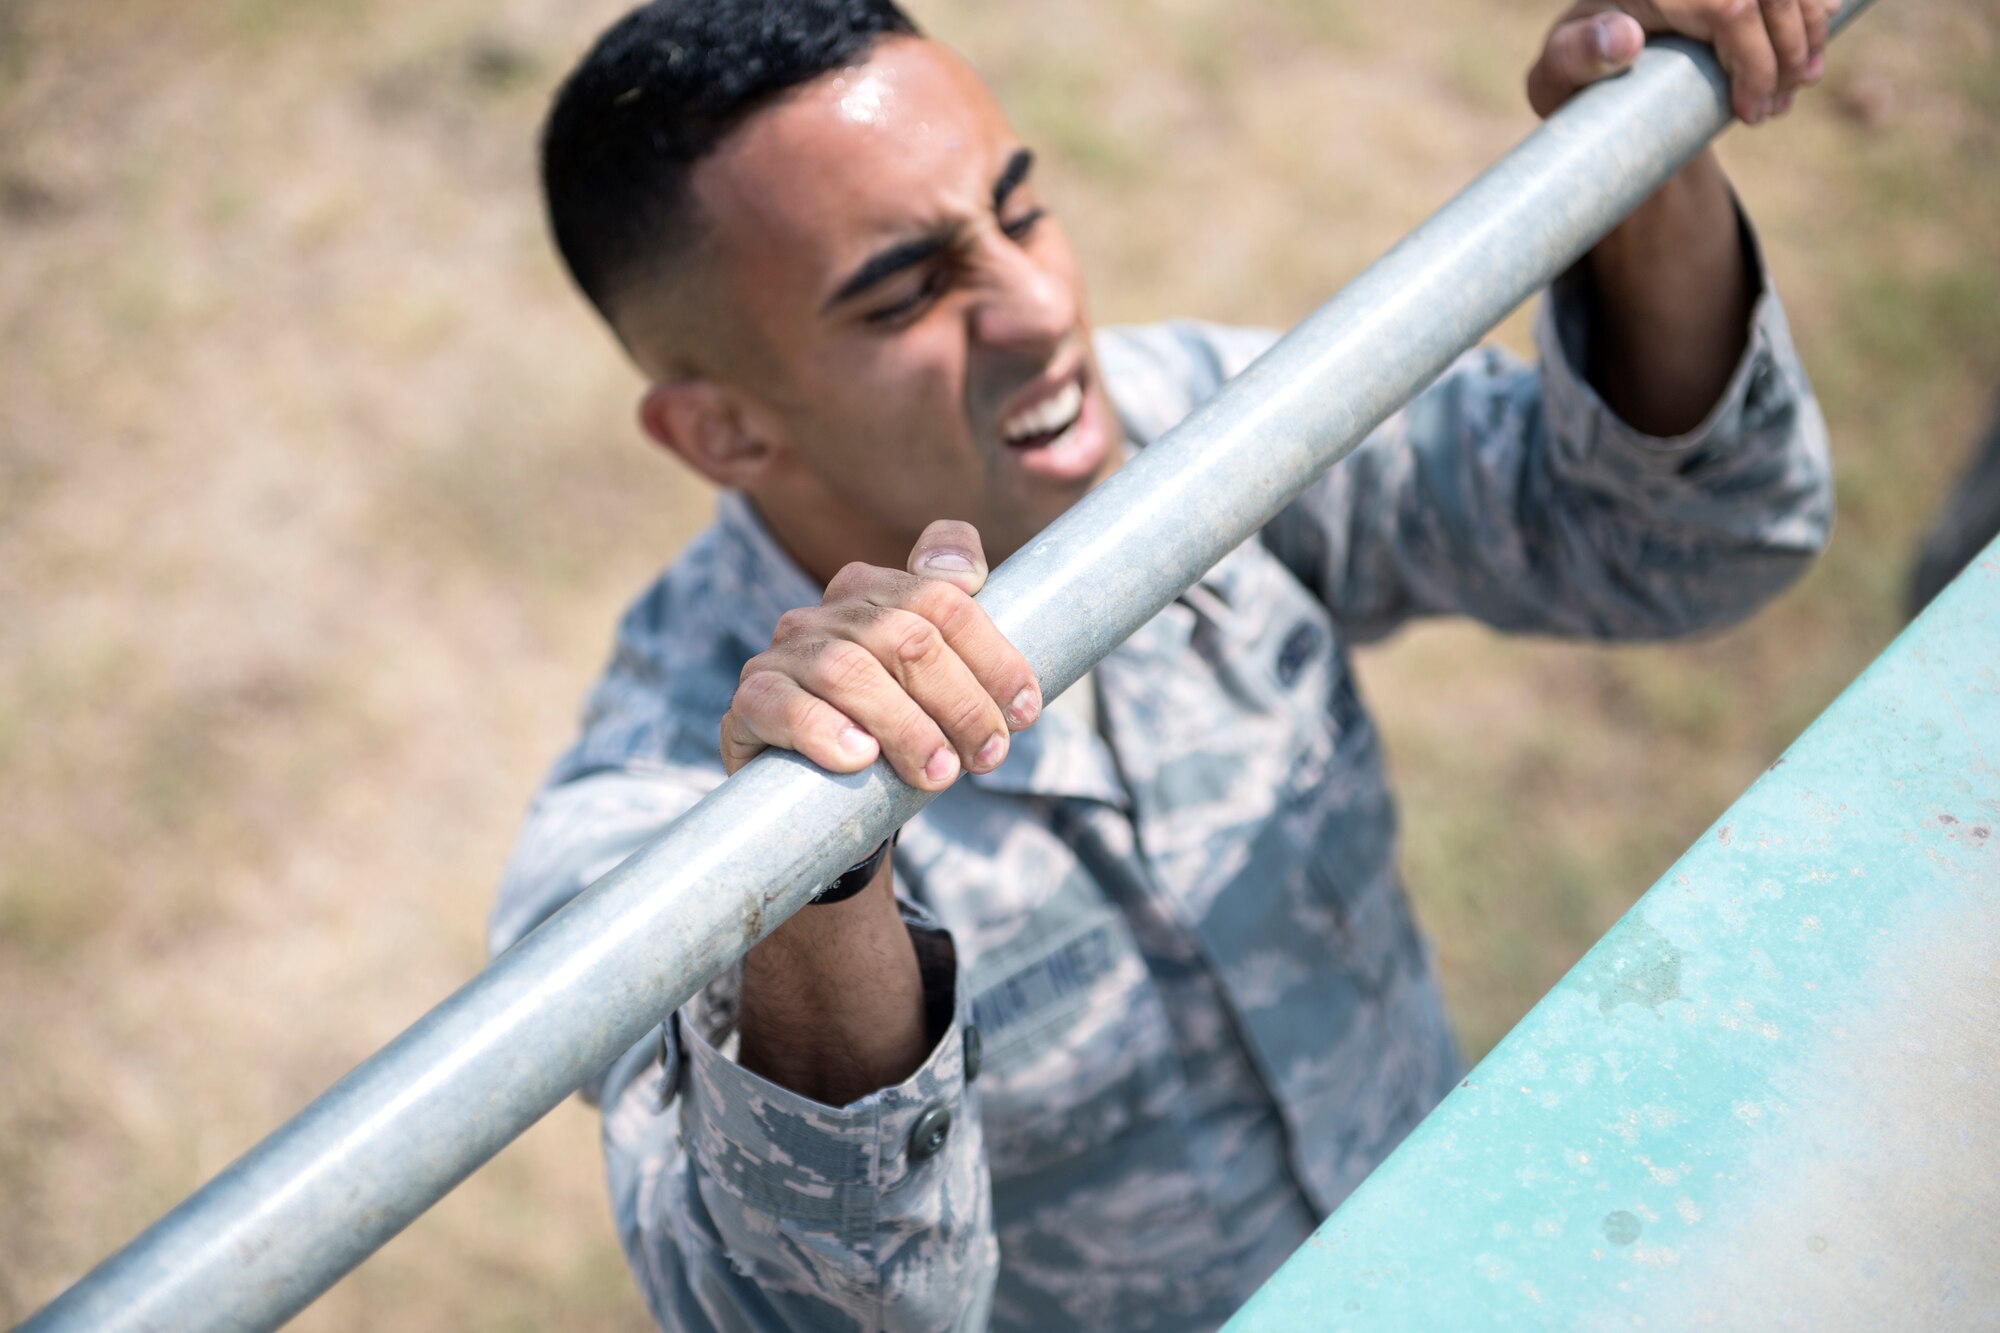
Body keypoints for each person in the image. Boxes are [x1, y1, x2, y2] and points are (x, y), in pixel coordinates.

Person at [491, 1, 1837, 1327]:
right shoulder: (644, 833)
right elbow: (826, 1324)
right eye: (908, 292)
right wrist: (809, 871)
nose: (1037, 309)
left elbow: (1690, 539)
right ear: (718, 430)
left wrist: (1642, 141)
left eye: (1019, 211)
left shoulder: (1202, 427)